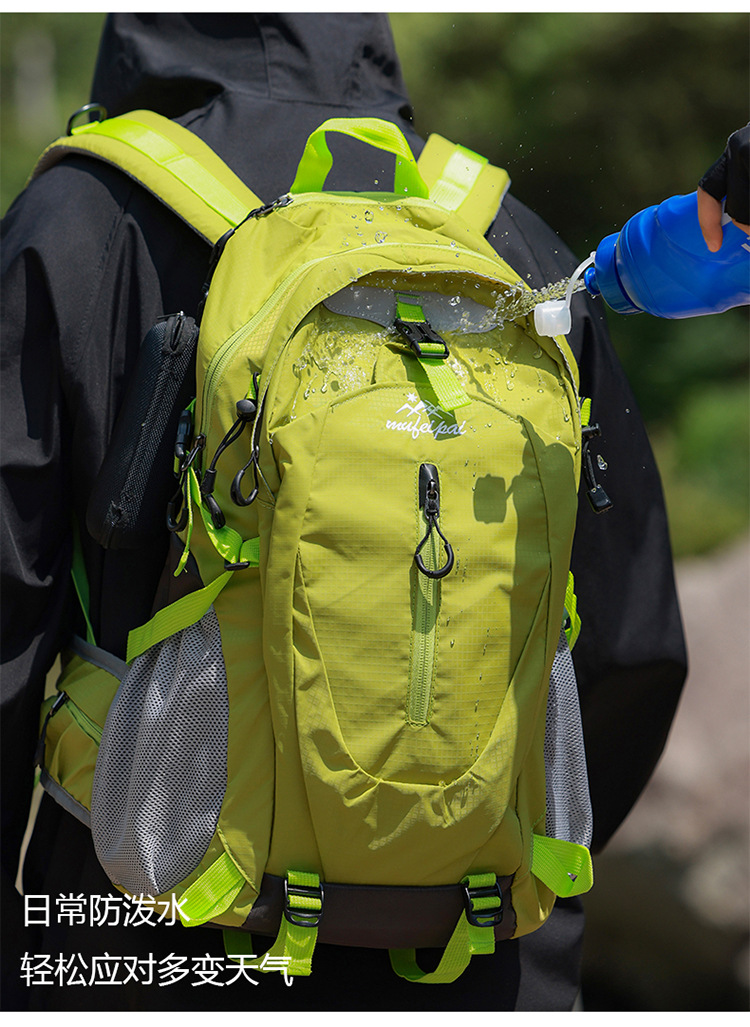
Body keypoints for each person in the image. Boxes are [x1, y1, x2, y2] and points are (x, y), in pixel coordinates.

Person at [1, 14, 688, 1012]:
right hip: (476, 952)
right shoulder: (506, 236)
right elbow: (630, 647)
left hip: (150, 931)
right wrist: (453, 860)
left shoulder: (82, 218)